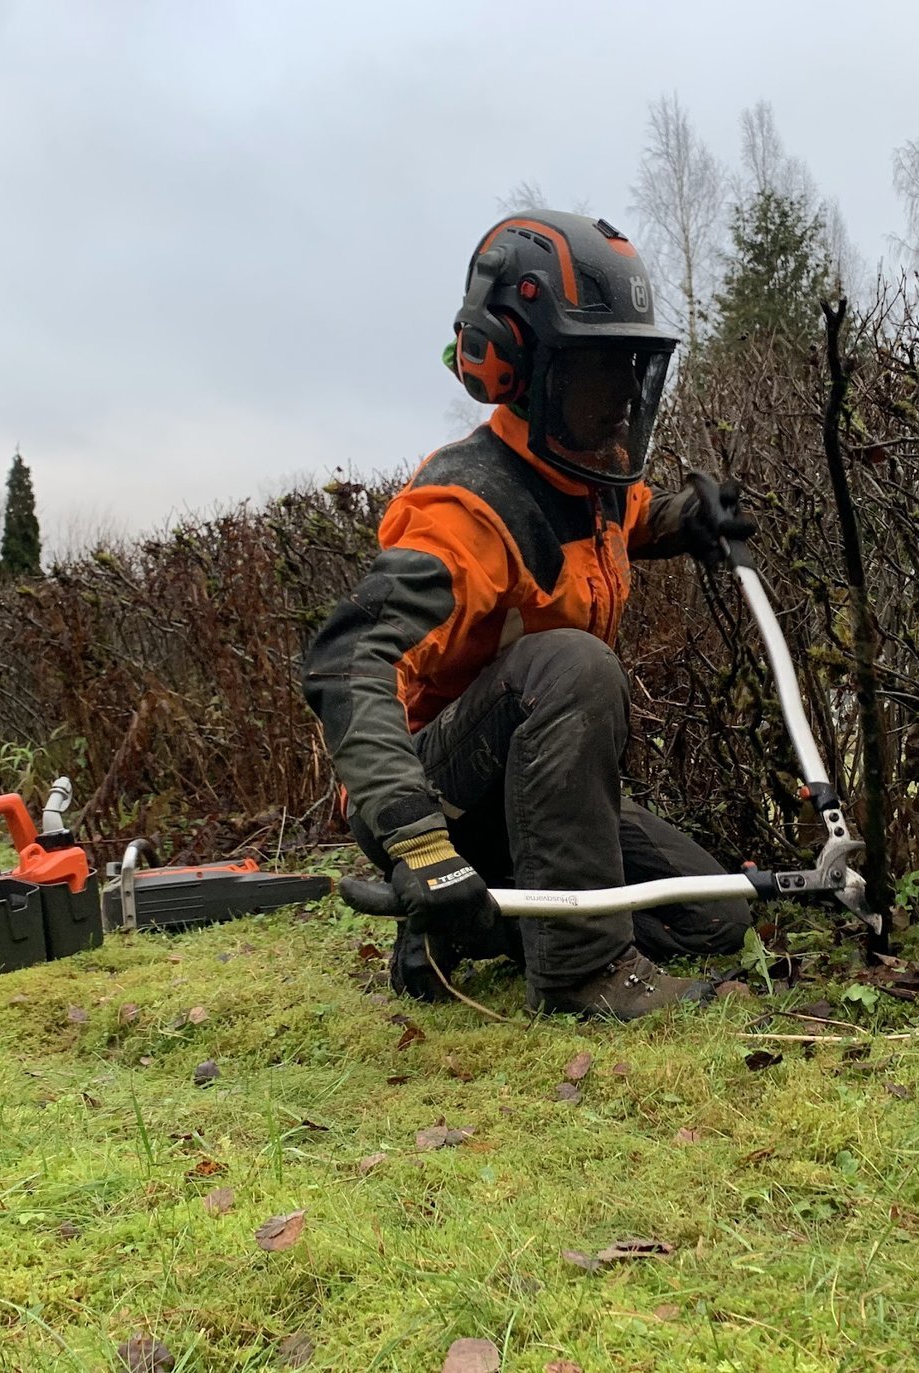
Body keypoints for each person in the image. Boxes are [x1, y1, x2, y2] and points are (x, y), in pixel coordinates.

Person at [303, 209, 757, 1020]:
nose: (622, 399)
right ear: (527, 371)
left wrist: (690, 517)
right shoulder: (465, 508)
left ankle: (471, 926)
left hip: (523, 799)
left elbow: (622, 521)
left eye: (631, 369)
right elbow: (348, 662)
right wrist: (416, 842)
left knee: (713, 916)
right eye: (598, 373)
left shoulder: (590, 477)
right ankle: (582, 973)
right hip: (431, 794)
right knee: (573, 662)